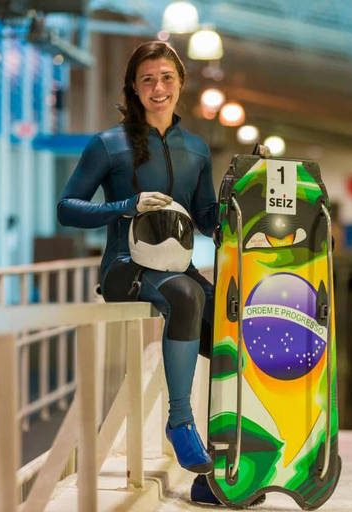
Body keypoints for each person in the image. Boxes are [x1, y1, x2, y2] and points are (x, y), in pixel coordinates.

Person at [57, 41, 218, 475]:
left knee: (232, 331)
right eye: (147, 79)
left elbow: (206, 217)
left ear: (180, 83)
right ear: (133, 86)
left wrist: (240, 211)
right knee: (186, 296)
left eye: (167, 77)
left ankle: (220, 469)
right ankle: (180, 423)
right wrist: (126, 205)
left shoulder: (197, 149)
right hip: (124, 269)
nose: (158, 87)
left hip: (176, 267)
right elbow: (67, 208)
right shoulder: (108, 144)